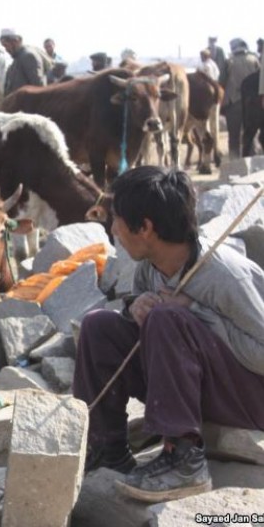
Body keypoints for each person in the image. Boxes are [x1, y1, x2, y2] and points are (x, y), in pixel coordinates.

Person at [74, 166, 264, 503]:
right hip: (195, 385)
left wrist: (192, 313)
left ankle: (184, 460)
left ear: (145, 227)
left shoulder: (223, 276)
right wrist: (135, 309)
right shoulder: (150, 268)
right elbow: (148, 338)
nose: (114, 230)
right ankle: (108, 448)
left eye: (117, 219)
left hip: (249, 400)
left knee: (167, 319)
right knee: (98, 325)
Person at [221, 39, 261, 157]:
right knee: (251, 135)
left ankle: (235, 163)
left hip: (234, 102)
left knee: (234, 137)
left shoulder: (229, 61)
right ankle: (253, 164)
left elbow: (221, 82)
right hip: (253, 103)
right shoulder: (254, 60)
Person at [0, 28, 46, 95]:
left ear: (15, 42)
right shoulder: (18, 58)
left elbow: (38, 87)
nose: (6, 49)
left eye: (6, 45)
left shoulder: (28, 56)